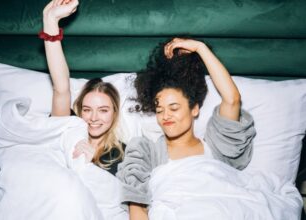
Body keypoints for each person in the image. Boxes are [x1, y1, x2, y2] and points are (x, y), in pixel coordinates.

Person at [116, 38, 256, 219]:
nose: (166, 115)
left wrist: (201, 48)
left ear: (195, 109)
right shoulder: (146, 151)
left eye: (174, 108)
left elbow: (232, 99)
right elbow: (137, 207)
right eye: (160, 110)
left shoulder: (216, 147)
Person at [43, 0, 124, 174]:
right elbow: (61, 88)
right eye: (87, 110)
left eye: (103, 110)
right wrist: (50, 21)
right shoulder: (67, 130)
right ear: (79, 111)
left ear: (115, 112)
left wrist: (89, 167)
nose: (94, 118)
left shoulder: (122, 154)